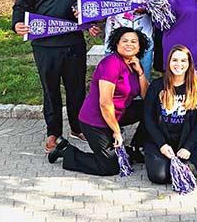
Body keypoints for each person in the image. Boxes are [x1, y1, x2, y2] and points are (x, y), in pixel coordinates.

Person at [12, 0, 99, 153]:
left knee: (77, 88)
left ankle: (78, 127)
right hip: (45, 45)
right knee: (51, 91)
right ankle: (54, 134)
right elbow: (20, 7)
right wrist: (17, 24)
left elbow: (87, 5)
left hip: (74, 43)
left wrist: (89, 22)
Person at [47, 27, 150, 176]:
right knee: (110, 167)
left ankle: (135, 148)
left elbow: (147, 96)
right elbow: (105, 103)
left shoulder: (133, 64)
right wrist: (117, 132)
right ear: (117, 44)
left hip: (116, 114)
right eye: (125, 41)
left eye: (134, 41)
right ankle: (66, 151)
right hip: (96, 121)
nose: (129, 44)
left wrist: (140, 73)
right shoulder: (111, 64)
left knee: (152, 107)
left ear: (139, 46)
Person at [142, 45, 197, 184]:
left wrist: (188, 146)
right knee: (159, 176)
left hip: (186, 142)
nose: (178, 64)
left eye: (183, 61)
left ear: (189, 64)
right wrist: (161, 144)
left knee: (183, 175)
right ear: (169, 62)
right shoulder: (157, 86)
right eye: (175, 60)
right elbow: (148, 118)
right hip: (160, 141)